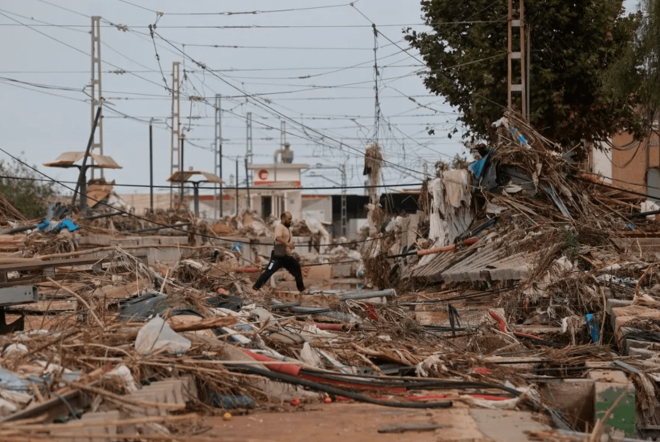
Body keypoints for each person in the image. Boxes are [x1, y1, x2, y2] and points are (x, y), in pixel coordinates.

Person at [252, 211, 306, 293]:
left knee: (297, 268)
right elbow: (278, 238)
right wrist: (287, 244)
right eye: (289, 219)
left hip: (286, 256)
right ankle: (255, 288)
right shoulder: (279, 227)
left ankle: (301, 289)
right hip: (278, 256)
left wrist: (291, 245)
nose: (291, 220)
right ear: (283, 219)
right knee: (268, 271)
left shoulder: (287, 228)